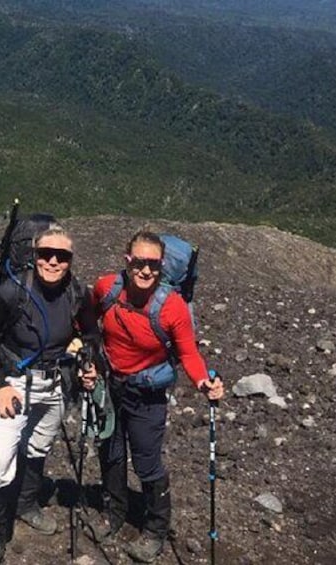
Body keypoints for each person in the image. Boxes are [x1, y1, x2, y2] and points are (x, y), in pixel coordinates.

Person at [81, 230, 224, 563]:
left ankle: (155, 529)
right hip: (110, 386)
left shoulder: (171, 307)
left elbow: (189, 353)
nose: (146, 271)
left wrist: (204, 383)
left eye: (154, 265)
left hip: (147, 395)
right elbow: (87, 320)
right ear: (127, 261)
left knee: (147, 462)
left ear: (162, 266)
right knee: (111, 452)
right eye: (139, 263)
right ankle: (114, 514)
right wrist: (85, 355)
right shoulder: (107, 288)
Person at [0, 224, 99, 565]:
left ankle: (27, 504)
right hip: (15, 383)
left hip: (55, 385)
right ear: (34, 255)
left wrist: (89, 362)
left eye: (62, 256)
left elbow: (91, 334)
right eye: (46, 254)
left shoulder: (77, 294)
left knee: (38, 446)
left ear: (70, 260)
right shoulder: (13, 292)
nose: (53, 262)